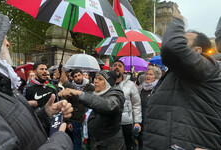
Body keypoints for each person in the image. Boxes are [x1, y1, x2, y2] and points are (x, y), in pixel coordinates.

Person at [0, 7, 73, 149]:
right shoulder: (24, 88)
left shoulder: (4, 87)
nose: (8, 43)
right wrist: (60, 141)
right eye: (2, 37)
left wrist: (45, 113)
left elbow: (20, 128)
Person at [142, 15, 221, 150]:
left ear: (198, 52)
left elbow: (172, 48)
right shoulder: (180, 74)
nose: (178, 38)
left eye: (183, 39)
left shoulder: (208, 67)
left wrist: (178, 21)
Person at [59, 70, 126, 150]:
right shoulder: (95, 93)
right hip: (93, 143)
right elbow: (86, 97)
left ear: (108, 84)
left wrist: (78, 93)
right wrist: (66, 83)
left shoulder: (117, 95)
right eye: (95, 78)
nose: (95, 81)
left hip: (109, 145)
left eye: (100, 79)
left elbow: (108, 106)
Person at [112, 60, 142, 150]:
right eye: (115, 65)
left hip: (126, 123)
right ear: (111, 68)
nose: (117, 67)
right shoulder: (106, 84)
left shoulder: (130, 85)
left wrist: (137, 122)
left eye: (120, 66)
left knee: (128, 146)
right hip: (110, 123)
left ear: (124, 69)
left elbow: (136, 104)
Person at [69, 69, 95, 150]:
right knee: (77, 142)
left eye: (79, 75)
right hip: (75, 119)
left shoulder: (90, 86)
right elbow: (67, 104)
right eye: (75, 76)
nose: (78, 78)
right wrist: (68, 121)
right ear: (73, 78)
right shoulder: (70, 88)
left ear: (82, 75)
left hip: (89, 119)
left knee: (89, 142)